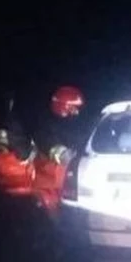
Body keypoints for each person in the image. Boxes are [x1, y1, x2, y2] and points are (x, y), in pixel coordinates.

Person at [32, 84, 86, 215]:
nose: (77, 112)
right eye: (74, 108)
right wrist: (62, 153)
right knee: (50, 217)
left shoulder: (76, 125)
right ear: (63, 107)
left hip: (64, 182)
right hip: (49, 182)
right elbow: (47, 143)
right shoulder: (45, 127)